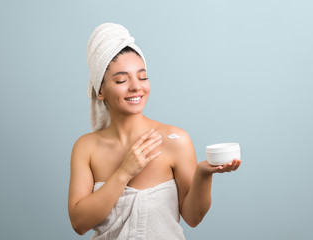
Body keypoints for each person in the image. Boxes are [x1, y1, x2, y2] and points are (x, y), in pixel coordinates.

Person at [68, 23, 242, 240]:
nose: (136, 87)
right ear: (100, 90)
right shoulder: (86, 147)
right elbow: (79, 223)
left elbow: (193, 217)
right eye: (121, 80)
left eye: (142, 77)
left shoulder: (176, 140)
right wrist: (125, 171)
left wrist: (203, 174)